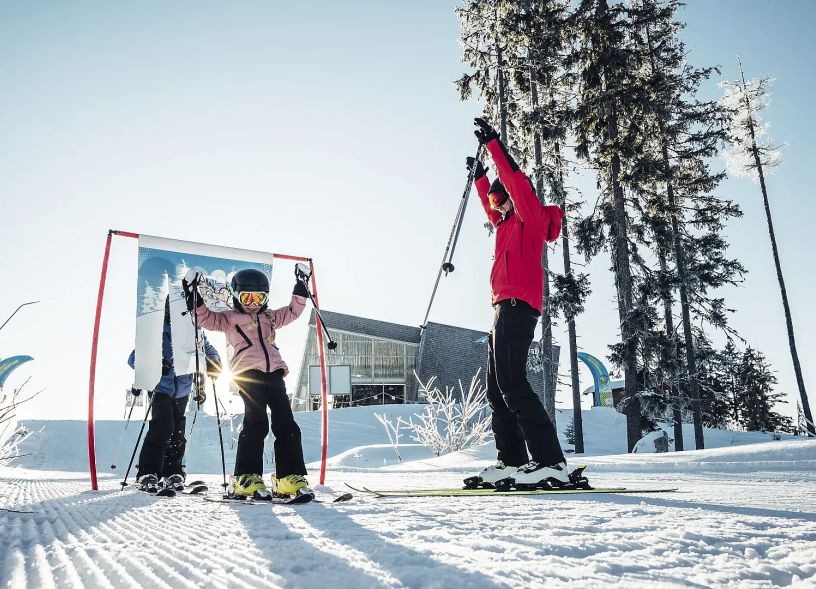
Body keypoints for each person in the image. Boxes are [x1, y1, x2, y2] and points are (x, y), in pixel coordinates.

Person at [467, 116, 574, 489]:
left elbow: (518, 183)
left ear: (514, 197)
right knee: (496, 387)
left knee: (513, 382)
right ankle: (512, 460)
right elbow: (488, 203)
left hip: (518, 307)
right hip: (501, 308)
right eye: (495, 201)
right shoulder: (505, 224)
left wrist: (495, 146)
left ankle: (551, 461)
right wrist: (481, 178)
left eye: (501, 198)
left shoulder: (529, 218)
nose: (496, 206)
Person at [183, 266, 310, 499]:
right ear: (236, 296)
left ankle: (288, 477)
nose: (253, 303)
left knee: (287, 423)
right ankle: (246, 476)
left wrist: (301, 286)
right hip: (247, 374)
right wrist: (194, 298)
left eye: (259, 298)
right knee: (257, 422)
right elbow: (206, 319)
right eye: (247, 297)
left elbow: (293, 311)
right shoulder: (229, 319)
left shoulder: (270, 316)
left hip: (274, 373)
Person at [129, 296, 221, 493]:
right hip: (160, 387)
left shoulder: (194, 332)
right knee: (163, 427)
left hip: (183, 388)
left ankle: (173, 471)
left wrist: (214, 364)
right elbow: (134, 357)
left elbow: (207, 350)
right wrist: (153, 363)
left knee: (178, 429)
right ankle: (148, 472)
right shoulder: (155, 331)